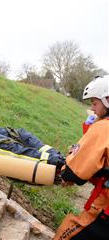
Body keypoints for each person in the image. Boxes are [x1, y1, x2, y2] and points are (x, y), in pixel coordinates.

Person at [54, 75, 109, 240]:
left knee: (68, 234)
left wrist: (65, 174)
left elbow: (75, 172)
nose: (92, 109)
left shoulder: (104, 127)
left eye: (94, 103)